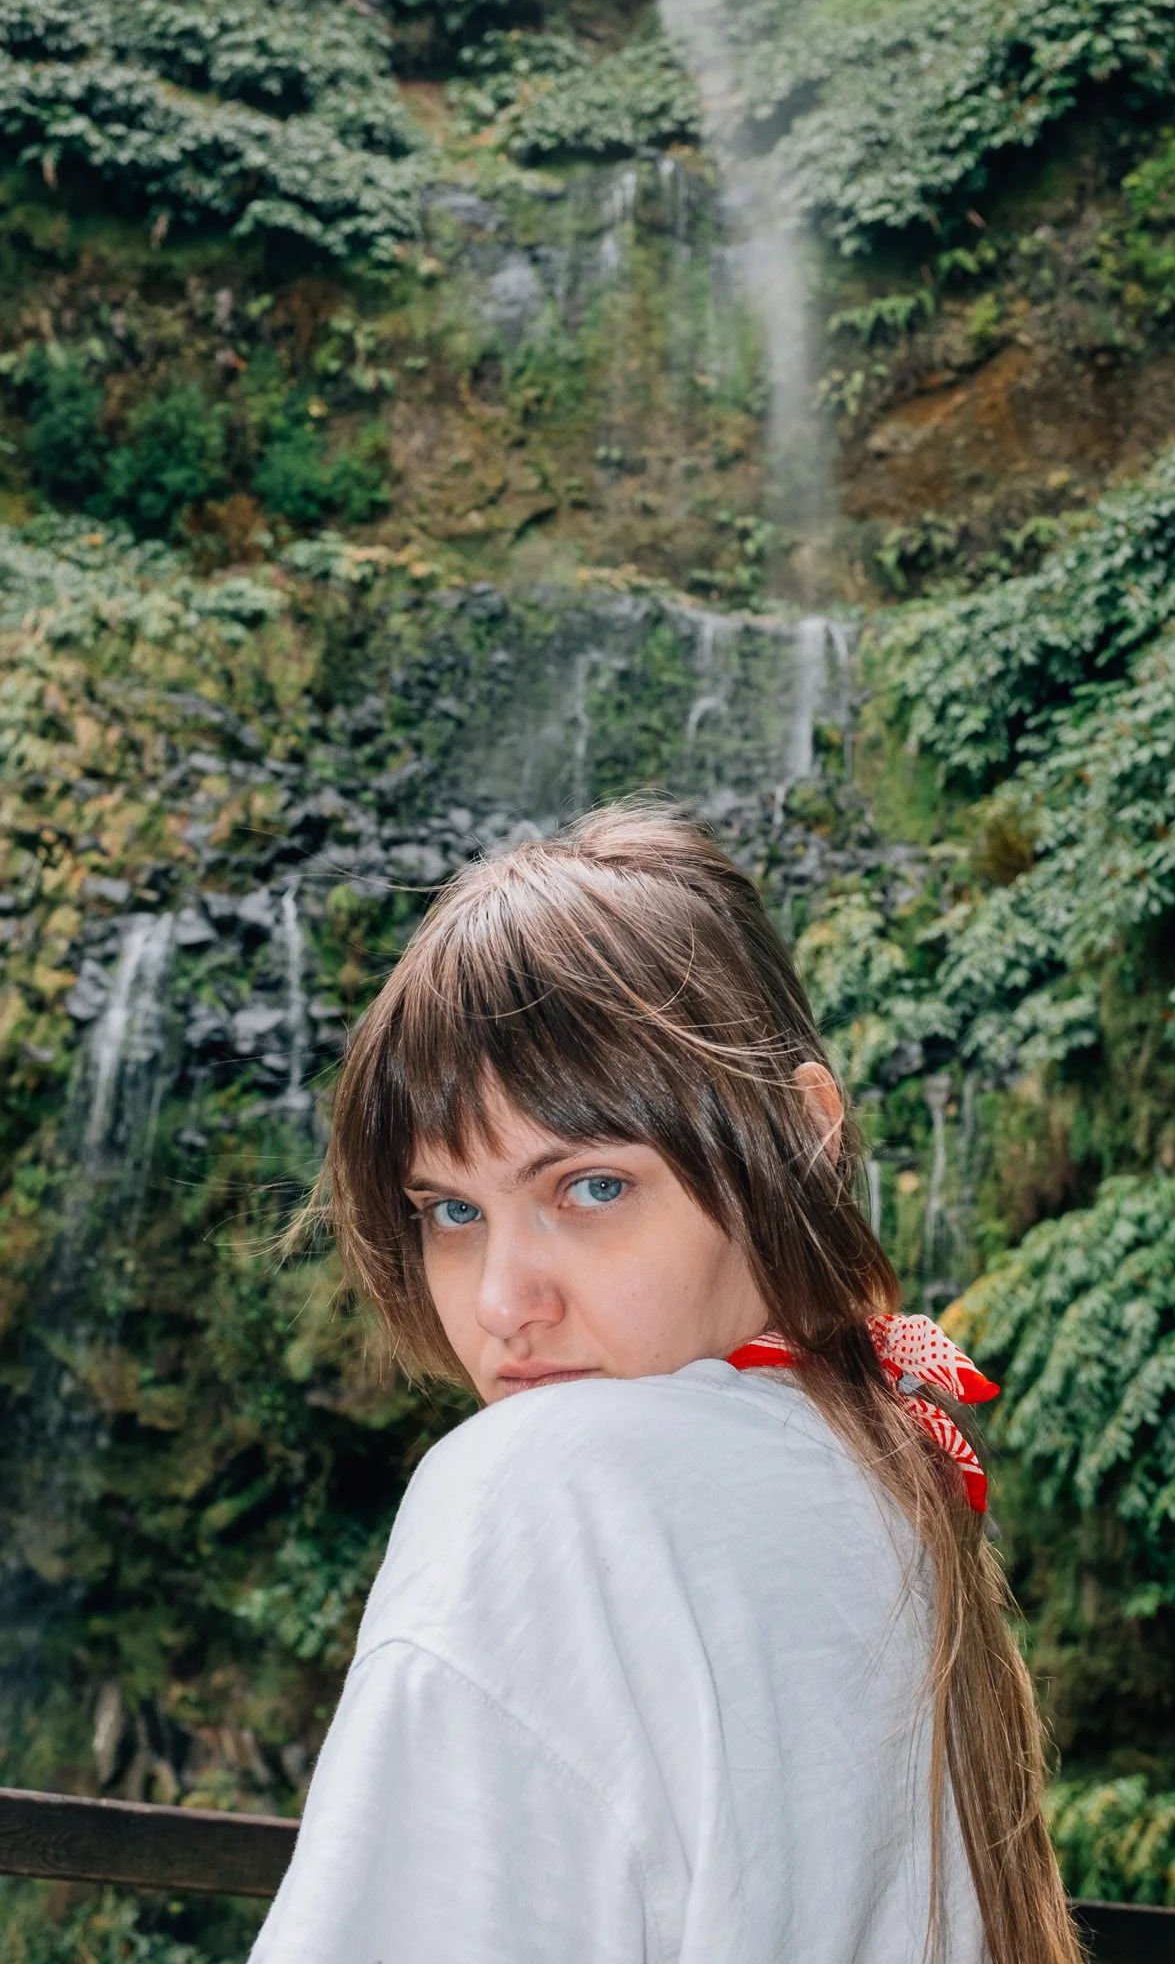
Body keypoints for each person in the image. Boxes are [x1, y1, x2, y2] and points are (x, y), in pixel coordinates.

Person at [249, 801, 1080, 1964]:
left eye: (590, 1187)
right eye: (450, 1210)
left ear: (801, 1138)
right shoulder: (876, 1472)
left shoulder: (548, 1488)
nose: (499, 1300)